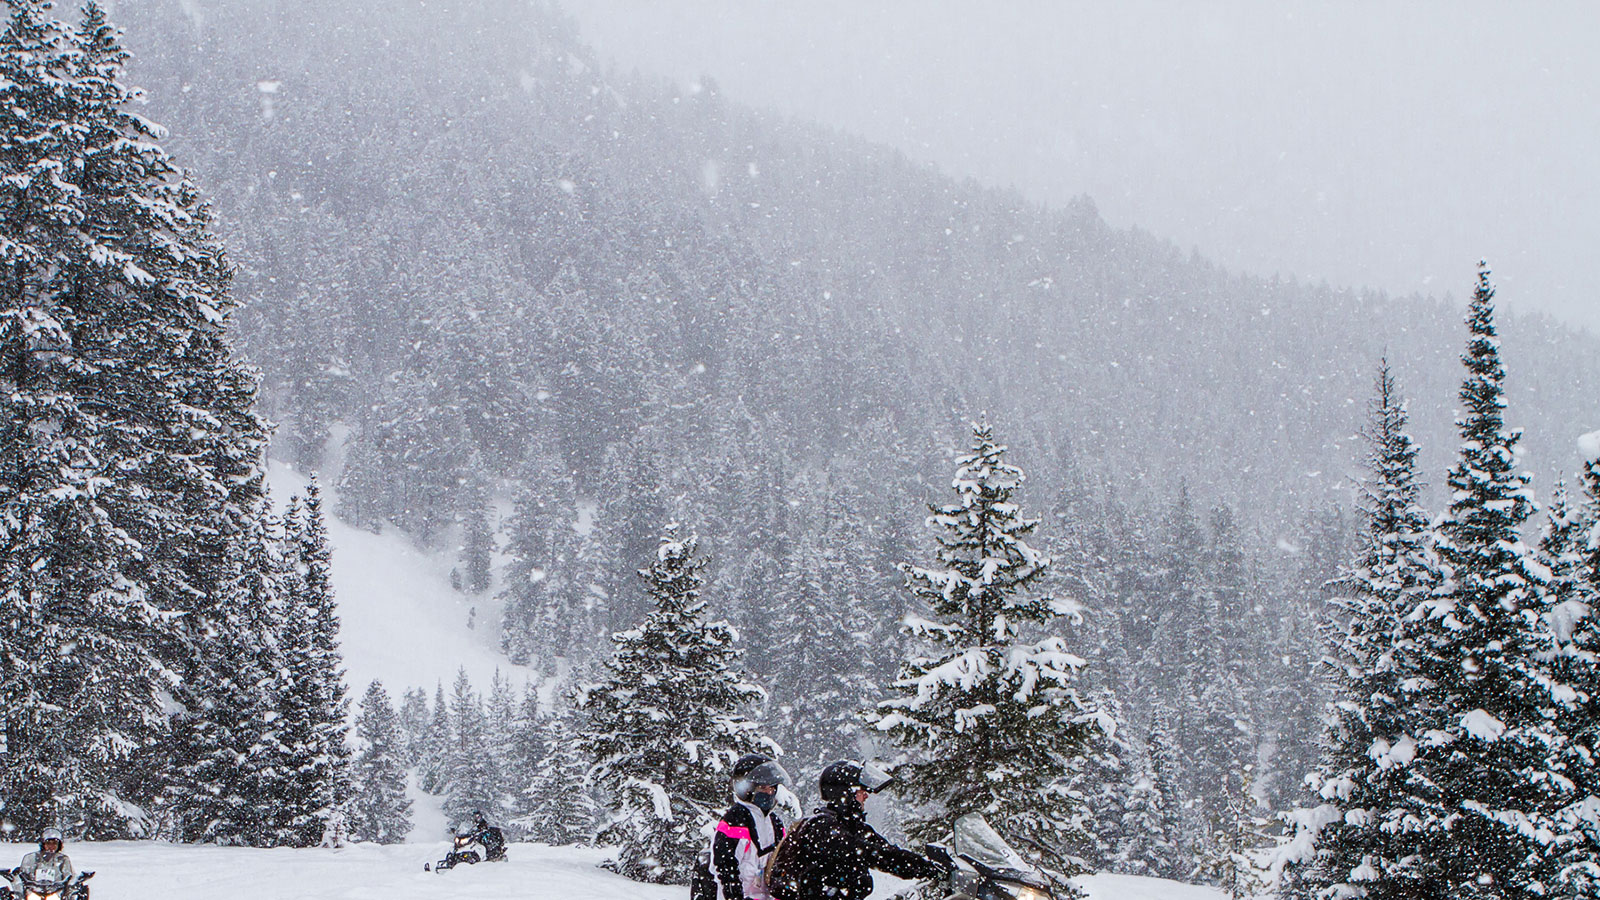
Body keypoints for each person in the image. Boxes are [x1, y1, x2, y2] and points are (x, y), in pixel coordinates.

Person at [767, 760, 946, 900]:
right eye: (861, 791)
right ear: (845, 794)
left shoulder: (850, 826)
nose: (866, 795)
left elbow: (887, 853)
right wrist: (925, 869)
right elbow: (871, 853)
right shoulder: (823, 827)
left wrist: (927, 866)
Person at [709, 753, 791, 900]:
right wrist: (735, 895)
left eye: (772, 788)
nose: (769, 792)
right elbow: (725, 866)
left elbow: (781, 863)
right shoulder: (735, 820)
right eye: (763, 787)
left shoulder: (775, 823)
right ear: (747, 788)